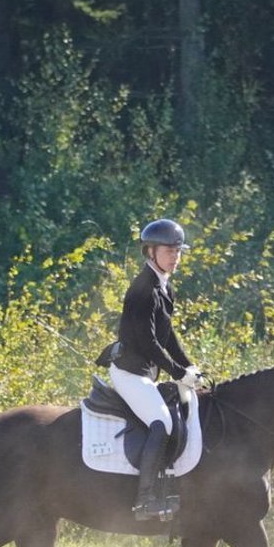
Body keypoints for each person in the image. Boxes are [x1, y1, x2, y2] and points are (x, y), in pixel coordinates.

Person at [100, 218, 203, 519]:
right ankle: (144, 499)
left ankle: (166, 484)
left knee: (178, 412)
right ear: (150, 252)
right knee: (162, 423)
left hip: (145, 372)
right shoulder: (143, 289)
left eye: (178, 251)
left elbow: (167, 335)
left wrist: (189, 367)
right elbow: (147, 342)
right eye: (169, 251)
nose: (175, 257)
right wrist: (177, 372)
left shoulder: (163, 286)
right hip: (130, 372)